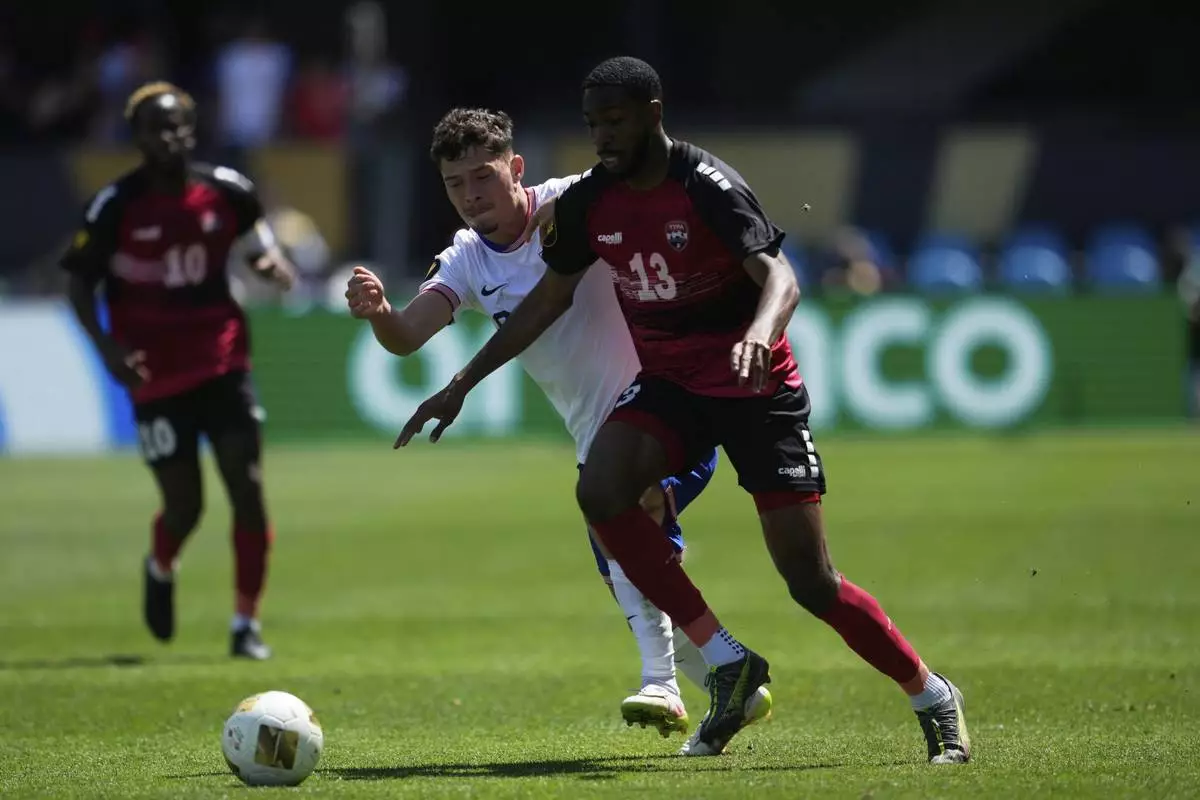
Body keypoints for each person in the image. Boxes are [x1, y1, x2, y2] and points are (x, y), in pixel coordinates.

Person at [396, 58, 973, 762]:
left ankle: (932, 695)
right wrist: (460, 382)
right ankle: (725, 664)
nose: (603, 137)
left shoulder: (706, 184)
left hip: (755, 386)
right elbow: (544, 302)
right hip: (672, 387)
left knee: (810, 582)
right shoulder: (589, 204)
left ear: (652, 114)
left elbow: (780, 277)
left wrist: (760, 334)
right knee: (602, 492)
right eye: (592, 125)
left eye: (615, 121)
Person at [345, 107, 770, 740]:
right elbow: (407, 336)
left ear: (516, 168)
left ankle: (665, 682)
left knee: (631, 515)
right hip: (595, 433)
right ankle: (730, 673)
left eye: (482, 177)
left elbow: (656, 176)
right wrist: (379, 312)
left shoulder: (578, 199)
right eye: (454, 184)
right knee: (628, 556)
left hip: (668, 402)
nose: (470, 196)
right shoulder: (465, 259)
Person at [59, 82, 295, 660]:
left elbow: (255, 232)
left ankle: (246, 624)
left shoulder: (227, 191)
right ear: (137, 138)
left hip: (223, 358)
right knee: (186, 505)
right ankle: (161, 562)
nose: (167, 137)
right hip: (153, 374)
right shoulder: (114, 206)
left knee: (249, 486)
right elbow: (79, 281)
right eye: (153, 128)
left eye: (176, 126)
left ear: (191, 130)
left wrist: (266, 260)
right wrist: (108, 349)